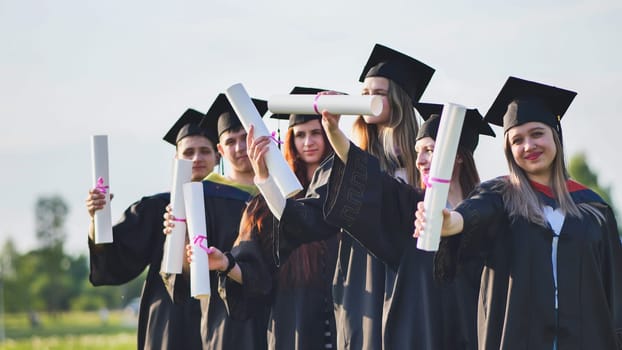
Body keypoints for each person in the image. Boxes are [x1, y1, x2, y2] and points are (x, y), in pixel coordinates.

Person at [415, 77, 622, 349]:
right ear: (509, 150)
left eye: (537, 134)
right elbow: (471, 214)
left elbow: (614, 291)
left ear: (555, 135)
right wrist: (448, 222)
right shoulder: (500, 196)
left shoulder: (594, 208)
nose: (528, 146)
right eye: (517, 140)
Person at [319, 100, 494, 349]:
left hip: (473, 335)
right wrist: (334, 132)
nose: (419, 160)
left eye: (429, 151)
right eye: (418, 151)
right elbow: (370, 179)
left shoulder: (487, 210)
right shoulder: (410, 205)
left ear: (456, 156)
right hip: (417, 336)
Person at [193, 86, 340, 350]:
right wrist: (226, 263)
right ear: (290, 140)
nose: (308, 142)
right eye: (301, 135)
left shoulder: (346, 190)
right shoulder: (264, 203)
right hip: (293, 321)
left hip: (346, 309)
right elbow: (254, 269)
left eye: (316, 133)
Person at [330, 43, 436, 350]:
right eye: (363, 94)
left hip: (409, 272)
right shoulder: (354, 159)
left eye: (377, 93)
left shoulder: (425, 161)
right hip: (363, 272)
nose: (367, 101)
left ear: (398, 100)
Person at [87, 108, 218, 350]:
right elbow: (114, 258)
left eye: (204, 151)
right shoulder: (155, 208)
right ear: (175, 159)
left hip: (221, 321)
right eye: (188, 152)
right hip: (169, 323)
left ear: (217, 157)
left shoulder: (234, 205)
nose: (197, 158)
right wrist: (97, 220)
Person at [163, 93, 270, 349]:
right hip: (228, 321)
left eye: (245, 137)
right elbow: (178, 281)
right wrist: (180, 235)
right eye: (230, 141)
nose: (240, 147)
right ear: (221, 150)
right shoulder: (202, 197)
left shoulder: (280, 190)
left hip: (282, 312)